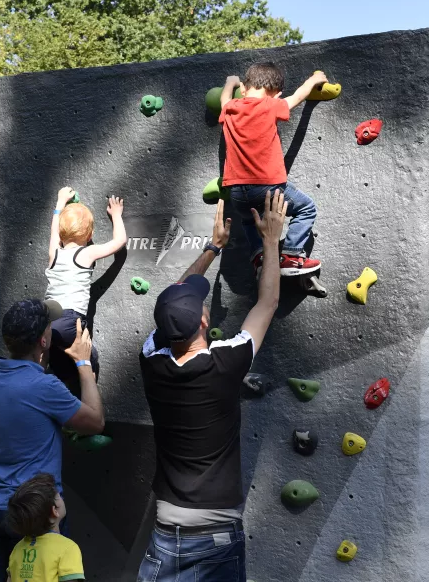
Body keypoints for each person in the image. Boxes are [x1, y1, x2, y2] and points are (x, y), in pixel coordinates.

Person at [137, 192, 286, 582]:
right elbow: (267, 303)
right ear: (203, 324)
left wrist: (211, 248)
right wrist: (271, 240)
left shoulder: (152, 359)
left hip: (166, 534)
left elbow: (176, 297)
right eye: (202, 308)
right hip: (216, 537)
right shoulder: (225, 363)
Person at [0, 298, 104, 582]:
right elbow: (94, 422)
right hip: (36, 511)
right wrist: (83, 362)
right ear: (44, 341)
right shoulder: (45, 387)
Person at [218, 62, 328, 277]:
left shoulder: (231, 109)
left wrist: (229, 83)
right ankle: (291, 256)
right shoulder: (270, 106)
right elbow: (297, 97)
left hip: (237, 192)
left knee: (250, 219)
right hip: (267, 186)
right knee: (306, 209)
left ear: (243, 89)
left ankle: (259, 257)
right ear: (276, 94)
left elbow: (224, 100)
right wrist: (313, 80)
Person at [46, 187, 127, 380]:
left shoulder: (54, 254)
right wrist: (116, 215)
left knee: (57, 361)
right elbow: (120, 241)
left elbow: (53, 233)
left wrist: (60, 203)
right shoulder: (87, 253)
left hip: (48, 320)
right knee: (89, 358)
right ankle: (86, 386)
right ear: (89, 236)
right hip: (70, 320)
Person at [5, 473, 85, 582]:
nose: (62, 498)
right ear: (54, 511)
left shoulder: (17, 549)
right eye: (59, 496)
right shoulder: (68, 548)